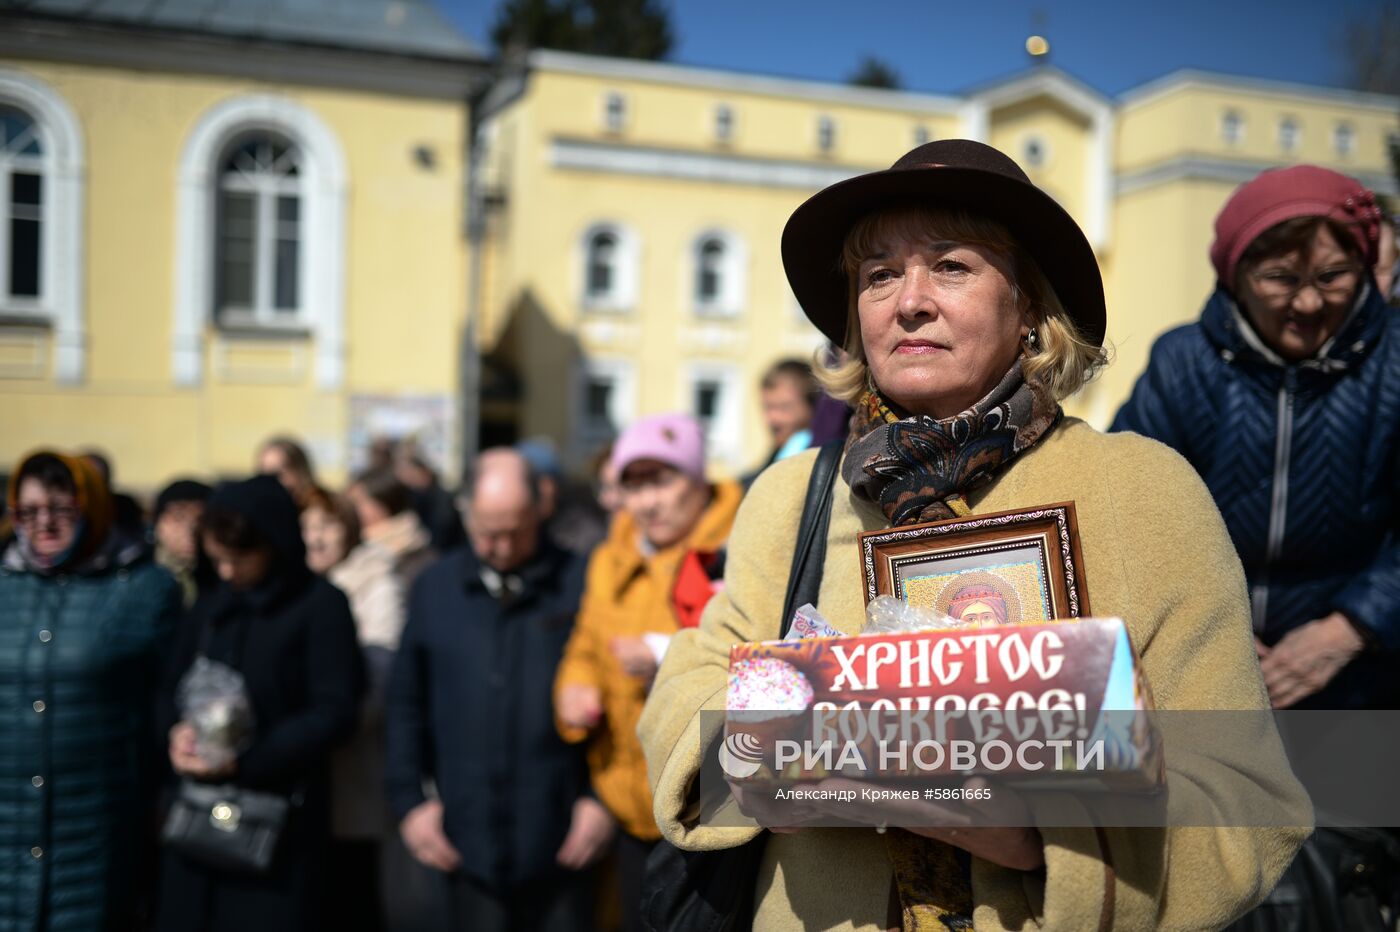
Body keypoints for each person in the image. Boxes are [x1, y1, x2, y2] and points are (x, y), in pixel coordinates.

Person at [637, 139, 1309, 930]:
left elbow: (1248, 796)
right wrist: (774, 751)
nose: (908, 301)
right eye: (879, 274)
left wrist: (1042, 835)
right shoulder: (792, 495)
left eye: (951, 265)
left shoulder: (1144, 491)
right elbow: (686, 692)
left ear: (1027, 306)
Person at [1113, 165, 1399, 711]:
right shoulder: (1183, 363)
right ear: (1235, 276)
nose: (1310, 304)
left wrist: (1349, 630)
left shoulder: (1394, 365)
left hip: (1363, 668)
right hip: (1199, 658)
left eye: (1333, 276)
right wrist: (1206, 628)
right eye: (1282, 279)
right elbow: (1131, 506)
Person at [386, 448, 608, 931]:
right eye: (488, 532)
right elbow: (405, 702)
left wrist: (601, 801)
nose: (503, 548)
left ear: (541, 509)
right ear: (466, 513)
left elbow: (617, 702)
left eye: (516, 531)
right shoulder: (434, 587)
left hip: (562, 839)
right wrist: (410, 804)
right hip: (463, 843)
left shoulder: (583, 581)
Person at [554, 413, 743, 931]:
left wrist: (663, 655)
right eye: (631, 486)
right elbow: (586, 645)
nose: (646, 503)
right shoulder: (609, 557)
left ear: (698, 479)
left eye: (661, 481)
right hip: (626, 797)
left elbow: (758, 659)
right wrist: (574, 686)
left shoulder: (736, 551)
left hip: (711, 802)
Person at [156, 475, 362, 932]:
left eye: (240, 559)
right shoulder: (212, 605)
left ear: (274, 545)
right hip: (195, 828)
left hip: (276, 832)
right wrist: (176, 733)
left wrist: (244, 760)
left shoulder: (320, 606)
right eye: (218, 560)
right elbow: (169, 685)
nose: (228, 572)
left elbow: (335, 709)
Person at [0, 450, 181, 932]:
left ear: (92, 509)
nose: (45, 525)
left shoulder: (142, 587)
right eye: (29, 511)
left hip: (95, 822)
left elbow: (166, 697)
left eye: (61, 510)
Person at [393, 441, 467, 553]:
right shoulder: (415, 496)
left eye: (410, 473)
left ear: (423, 472)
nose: (407, 479)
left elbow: (441, 535)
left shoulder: (440, 499)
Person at [153, 478, 213, 607]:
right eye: (178, 517)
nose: (190, 529)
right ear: (158, 524)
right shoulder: (137, 577)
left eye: (200, 519)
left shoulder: (225, 576)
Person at [256, 435, 317, 510]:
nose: (268, 481)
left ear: (300, 472)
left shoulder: (319, 510)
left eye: (277, 474)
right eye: (263, 474)